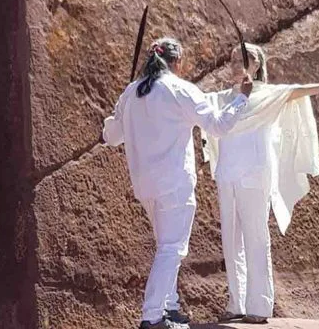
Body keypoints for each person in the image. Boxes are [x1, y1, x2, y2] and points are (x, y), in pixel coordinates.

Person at [103, 37, 253, 329]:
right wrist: (242, 97)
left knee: (165, 246)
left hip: (145, 185)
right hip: (173, 182)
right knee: (172, 248)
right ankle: (152, 315)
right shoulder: (180, 89)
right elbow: (219, 126)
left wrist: (116, 114)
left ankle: (169, 306)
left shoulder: (132, 92)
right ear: (178, 62)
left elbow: (111, 137)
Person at [202, 43, 319, 324]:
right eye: (233, 59)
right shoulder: (220, 99)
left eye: (243, 60)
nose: (236, 64)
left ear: (256, 65)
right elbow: (192, 107)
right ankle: (236, 304)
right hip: (227, 175)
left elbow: (295, 90)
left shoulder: (268, 94)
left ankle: (259, 307)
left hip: (254, 174)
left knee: (256, 238)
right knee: (230, 241)